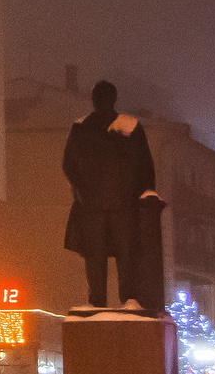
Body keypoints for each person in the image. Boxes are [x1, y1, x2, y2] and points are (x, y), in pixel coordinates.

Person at [63, 80, 158, 310]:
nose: (100, 101)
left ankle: (129, 299)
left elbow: (145, 165)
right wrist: (82, 191)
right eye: (97, 97)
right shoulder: (82, 126)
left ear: (113, 99)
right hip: (95, 206)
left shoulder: (129, 126)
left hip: (122, 205)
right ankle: (97, 300)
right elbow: (69, 164)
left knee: (126, 254)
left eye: (104, 97)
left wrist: (144, 194)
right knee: (95, 255)